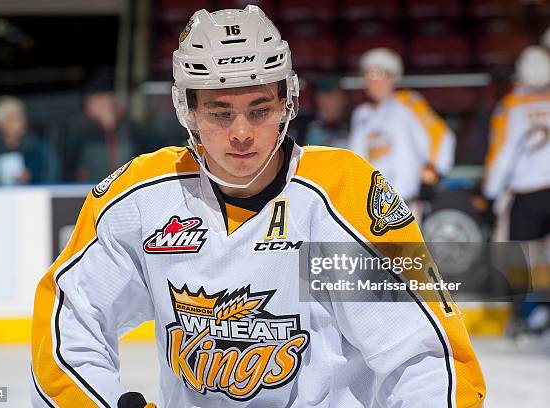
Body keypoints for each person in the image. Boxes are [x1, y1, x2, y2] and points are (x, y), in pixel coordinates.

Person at [31, 6, 485, 408]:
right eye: (220, 112)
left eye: (259, 109)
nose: (242, 133)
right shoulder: (139, 197)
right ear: (187, 110)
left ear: (288, 103)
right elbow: (68, 322)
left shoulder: (340, 192)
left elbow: (423, 354)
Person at [483, 45, 550, 335]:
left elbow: (502, 152)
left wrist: (490, 194)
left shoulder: (511, 106)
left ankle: (521, 317)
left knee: (520, 259)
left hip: (527, 194)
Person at [349, 48, 455, 205]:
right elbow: (355, 155)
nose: (373, 81)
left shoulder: (409, 103)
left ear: (392, 77)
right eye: (368, 75)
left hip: (405, 197)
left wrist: (434, 168)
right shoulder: (361, 114)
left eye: (379, 74)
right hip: (371, 200)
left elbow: (441, 135)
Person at [0, 96, 59, 185]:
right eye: (11, 118)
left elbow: (50, 178)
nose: (18, 122)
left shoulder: (39, 148)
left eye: (20, 117)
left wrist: (32, 176)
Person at [302, 77, 350, 148]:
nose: (333, 102)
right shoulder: (304, 126)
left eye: (337, 96)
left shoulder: (355, 123)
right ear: (318, 99)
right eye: (328, 96)